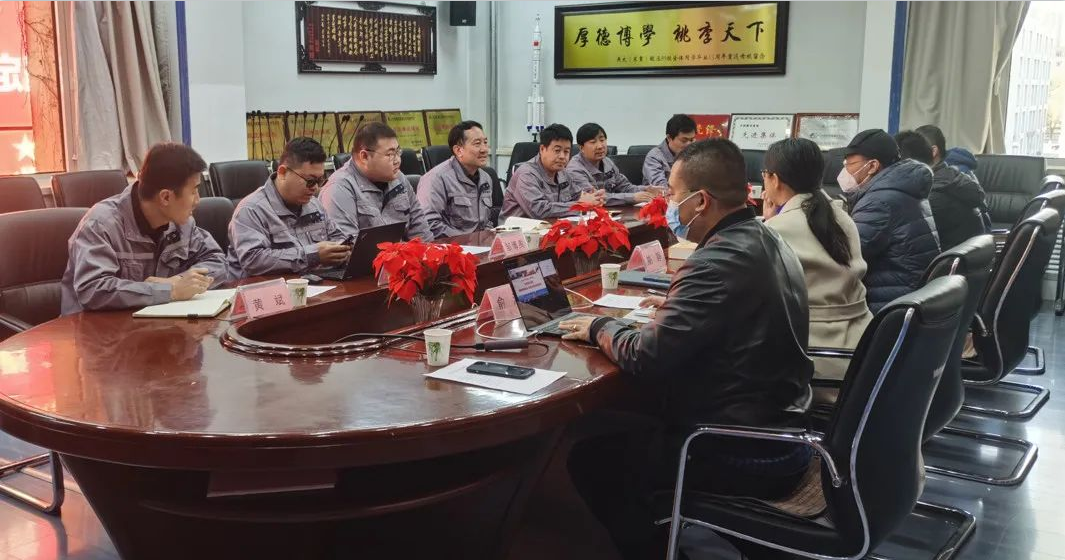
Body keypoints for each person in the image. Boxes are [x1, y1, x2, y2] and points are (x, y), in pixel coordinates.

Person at [558, 138, 814, 560]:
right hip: (780, 428)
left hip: (738, 449)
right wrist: (677, 306)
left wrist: (599, 325)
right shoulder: (766, 238)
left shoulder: (715, 262)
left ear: (701, 201)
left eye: (675, 196)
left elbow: (645, 356)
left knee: (591, 459)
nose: (670, 206)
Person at [60, 143, 227, 315]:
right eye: (194, 191)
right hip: (93, 328)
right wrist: (170, 290)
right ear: (166, 197)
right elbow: (92, 289)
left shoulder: (182, 224)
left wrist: (182, 281)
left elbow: (217, 261)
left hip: (152, 323)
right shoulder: (101, 224)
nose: (198, 200)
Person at [762, 138, 873, 380]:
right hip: (860, 349)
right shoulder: (841, 217)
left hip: (815, 359)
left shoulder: (776, 231)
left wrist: (770, 224)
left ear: (774, 179)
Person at [841, 129, 939, 312]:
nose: (844, 171)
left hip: (888, 304)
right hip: (909, 293)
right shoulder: (901, 188)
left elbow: (844, 255)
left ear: (872, 166)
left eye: (849, 164)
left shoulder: (880, 202)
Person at [226, 137, 350, 279]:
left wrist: (343, 250)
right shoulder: (251, 210)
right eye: (310, 181)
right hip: (265, 288)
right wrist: (312, 255)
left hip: (314, 284)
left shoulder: (314, 204)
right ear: (282, 173)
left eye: (319, 180)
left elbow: (337, 237)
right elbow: (253, 260)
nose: (315, 188)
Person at [320, 121, 431, 241]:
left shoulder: (399, 178)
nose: (397, 160)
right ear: (364, 157)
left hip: (404, 252)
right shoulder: (339, 188)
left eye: (398, 152)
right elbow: (347, 246)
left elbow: (421, 232)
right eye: (390, 154)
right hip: (368, 254)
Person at [907, 125, 990, 249]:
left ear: (933, 151)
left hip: (950, 256)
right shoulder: (953, 176)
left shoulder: (936, 191)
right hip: (967, 253)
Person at [500, 123, 603, 220]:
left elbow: (577, 195)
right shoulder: (526, 174)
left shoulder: (562, 172)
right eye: (557, 151)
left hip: (550, 227)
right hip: (517, 230)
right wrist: (580, 205)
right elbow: (539, 210)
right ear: (542, 149)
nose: (562, 156)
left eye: (566, 151)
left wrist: (594, 197)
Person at [416, 120, 496, 239]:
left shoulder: (485, 178)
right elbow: (429, 223)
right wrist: (468, 240)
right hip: (451, 246)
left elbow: (485, 222)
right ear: (458, 150)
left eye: (485, 142)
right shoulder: (436, 178)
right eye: (477, 144)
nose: (484, 149)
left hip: (479, 245)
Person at [567, 123, 663, 206]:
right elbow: (595, 198)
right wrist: (632, 198)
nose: (600, 146)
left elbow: (625, 187)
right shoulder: (575, 169)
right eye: (593, 142)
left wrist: (647, 189)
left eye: (602, 140)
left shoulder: (607, 162)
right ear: (581, 148)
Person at [643, 113, 696, 191]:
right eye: (684, 140)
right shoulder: (654, 157)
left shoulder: (695, 154)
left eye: (691, 140)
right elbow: (661, 188)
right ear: (669, 138)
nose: (689, 144)